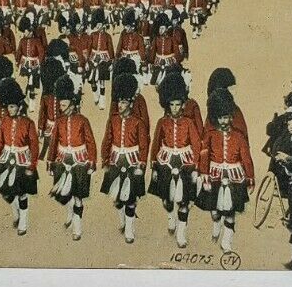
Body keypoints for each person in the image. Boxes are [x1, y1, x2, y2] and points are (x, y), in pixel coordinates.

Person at [196, 88, 255, 253]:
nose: (224, 121)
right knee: (215, 211)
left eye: (226, 117)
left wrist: (250, 177)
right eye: (221, 117)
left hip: (234, 177)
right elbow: (204, 156)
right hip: (214, 176)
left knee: (230, 212)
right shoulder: (210, 135)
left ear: (231, 117)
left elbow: (246, 158)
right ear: (216, 118)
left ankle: (227, 241)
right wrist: (204, 173)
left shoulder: (239, 136)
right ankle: (216, 223)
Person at [148, 75, 201, 248]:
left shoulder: (189, 123)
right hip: (166, 161)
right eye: (172, 104)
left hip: (185, 162)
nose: (175, 108)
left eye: (178, 104)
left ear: (183, 105)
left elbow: (196, 144)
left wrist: (196, 168)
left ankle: (181, 233)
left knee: (184, 201)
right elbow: (156, 144)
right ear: (167, 105)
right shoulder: (162, 122)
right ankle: (171, 215)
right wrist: (154, 166)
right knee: (167, 199)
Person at [100, 73, 149, 244]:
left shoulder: (138, 122)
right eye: (119, 102)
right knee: (116, 198)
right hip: (115, 160)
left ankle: (129, 229)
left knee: (130, 199)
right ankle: (122, 221)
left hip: (132, 161)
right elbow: (107, 140)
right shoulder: (113, 120)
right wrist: (105, 160)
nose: (119, 105)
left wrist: (141, 165)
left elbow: (143, 146)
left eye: (123, 102)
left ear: (131, 104)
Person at [47, 74, 97, 241]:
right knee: (64, 193)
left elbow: (90, 142)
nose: (61, 107)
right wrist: (50, 161)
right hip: (62, 160)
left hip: (80, 161)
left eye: (64, 104)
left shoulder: (83, 120)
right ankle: (69, 211)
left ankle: (77, 227)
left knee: (78, 196)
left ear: (72, 104)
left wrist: (92, 162)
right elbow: (53, 142)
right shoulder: (59, 121)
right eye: (60, 104)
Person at [0, 77, 39, 236]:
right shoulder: (4, 121)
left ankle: (23, 222)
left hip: (23, 160)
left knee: (22, 193)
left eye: (12, 106)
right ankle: (16, 212)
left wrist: (32, 166)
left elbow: (34, 146)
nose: (9, 109)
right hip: (6, 159)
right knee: (5, 191)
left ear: (19, 107)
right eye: (8, 106)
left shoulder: (28, 123)